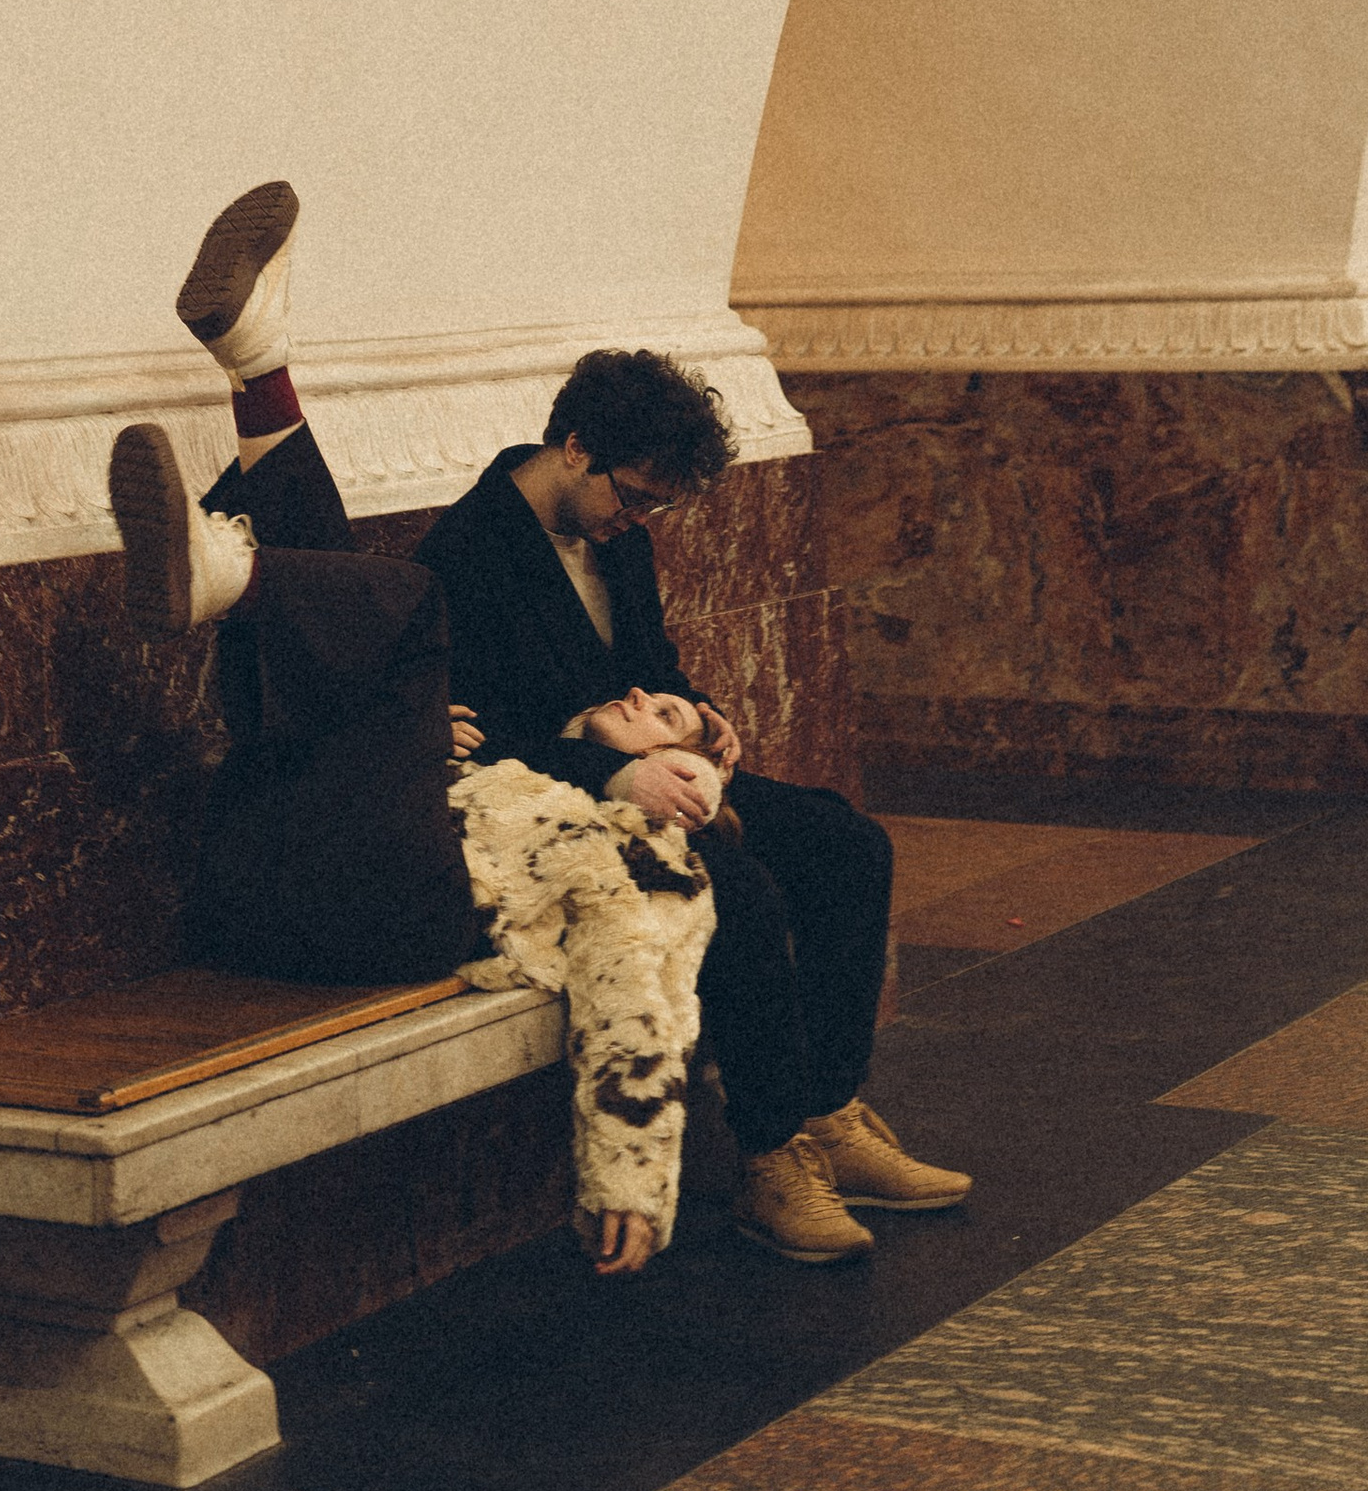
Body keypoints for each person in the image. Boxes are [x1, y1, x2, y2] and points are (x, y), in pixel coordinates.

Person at [105, 181, 717, 1266]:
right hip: (297, 858)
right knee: (371, 613)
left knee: (405, 618)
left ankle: (234, 557)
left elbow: (640, 1007)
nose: (638, 697)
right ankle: (254, 400)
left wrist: (628, 1177)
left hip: (407, 916)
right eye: (652, 699)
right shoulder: (551, 778)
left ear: (672, 796)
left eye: (654, 720)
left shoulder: (641, 870)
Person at [417, 342, 970, 1266]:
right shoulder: (465, 556)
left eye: (659, 505)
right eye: (633, 496)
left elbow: (648, 663)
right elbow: (479, 747)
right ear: (578, 448)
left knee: (847, 843)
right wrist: (608, 771)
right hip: (560, 809)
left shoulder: (617, 534)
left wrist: (696, 713)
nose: (640, 521)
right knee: (739, 891)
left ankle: (829, 1114)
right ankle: (769, 1156)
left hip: (652, 773)